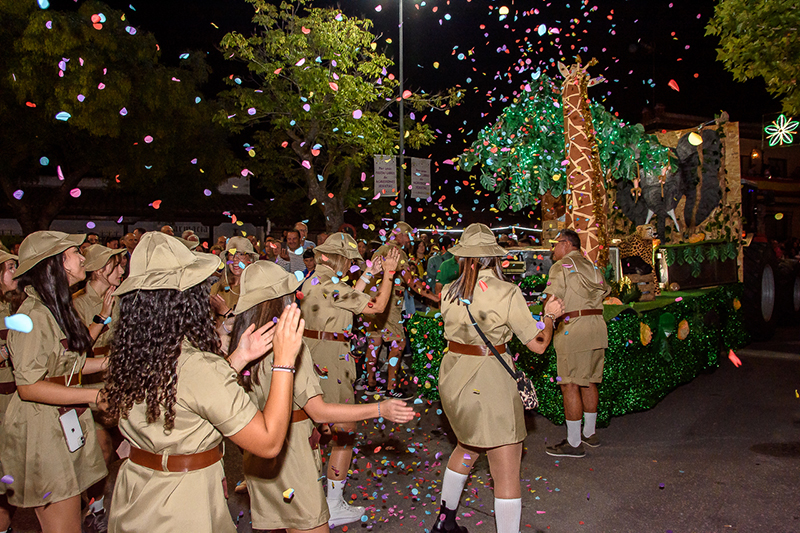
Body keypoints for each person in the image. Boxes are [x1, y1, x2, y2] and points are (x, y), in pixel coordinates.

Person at [105, 232, 305, 532]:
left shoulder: (132, 354)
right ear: (187, 301)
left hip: (135, 493)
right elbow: (268, 442)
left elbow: (185, 397)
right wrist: (284, 361)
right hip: (181, 507)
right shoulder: (197, 366)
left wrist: (238, 357)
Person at [230, 261, 414, 531]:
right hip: (291, 457)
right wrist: (380, 409)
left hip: (258, 461)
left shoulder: (241, 346)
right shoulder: (290, 349)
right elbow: (319, 410)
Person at [432, 223, 564, 533]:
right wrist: (550, 316)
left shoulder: (447, 292)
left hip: (453, 379)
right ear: (494, 256)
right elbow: (538, 345)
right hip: (490, 381)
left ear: (464, 256)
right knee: (505, 470)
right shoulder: (507, 292)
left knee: (466, 447)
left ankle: (444, 522)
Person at [1, 231, 109, 532]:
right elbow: (28, 386)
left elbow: (64, 367)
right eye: (76, 252)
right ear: (56, 263)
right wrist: (93, 396)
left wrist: (109, 364)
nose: (83, 258)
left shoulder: (52, 310)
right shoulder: (33, 316)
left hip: (59, 424)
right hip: (42, 430)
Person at [298, 233, 399, 527]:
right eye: (349, 260)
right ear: (337, 258)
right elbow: (376, 306)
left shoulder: (314, 280)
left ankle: (312, 496)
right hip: (331, 357)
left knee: (315, 426)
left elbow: (344, 299)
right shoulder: (331, 285)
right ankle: (333, 504)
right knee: (345, 430)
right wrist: (389, 274)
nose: (350, 265)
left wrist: (368, 274)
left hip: (312, 353)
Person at [71, 244, 127, 530]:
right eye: (115, 266)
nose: (121, 270)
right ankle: (95, 510)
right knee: (101, 450)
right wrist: (103, 315)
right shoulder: (77, 304)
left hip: (118, 384)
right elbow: (76, 352)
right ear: (98, 270)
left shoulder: (120, 298)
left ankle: (93, 501)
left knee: (121, 447)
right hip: (90, 385)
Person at [542, 229, 610, 458]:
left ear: (566, 244)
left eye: (555, 244)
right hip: (597, 327)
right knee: (589, 381)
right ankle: (590, 433)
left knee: (569, 384)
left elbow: (552, 298)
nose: (553, 249)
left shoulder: (560, 266)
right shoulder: (592, 266)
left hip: (574, 329)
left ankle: (573, 443)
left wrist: (544, 319)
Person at [364, 222, 439, 398]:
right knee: (399, 343)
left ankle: (371, 384)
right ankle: (391, 388)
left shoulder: (380, 249)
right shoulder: (397, 252)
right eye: (408, 236)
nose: (409, 241)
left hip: (371, 303)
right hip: (388, 304)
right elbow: (411, 281)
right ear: (400, 235)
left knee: (375, 342)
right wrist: (434, 297)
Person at [0, 250, 22, 533]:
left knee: (11, 477)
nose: (16, 272)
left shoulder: (16, 305)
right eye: (10, 267)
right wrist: (9, 350)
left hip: (14, 397)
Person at [209, 236, 259, 348]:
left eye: (241, 254)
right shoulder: (217, 288)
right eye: (232, 255)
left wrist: (226, 312)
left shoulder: (256, 289)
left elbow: (253, 324)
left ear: (250, 259)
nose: (236, 259)